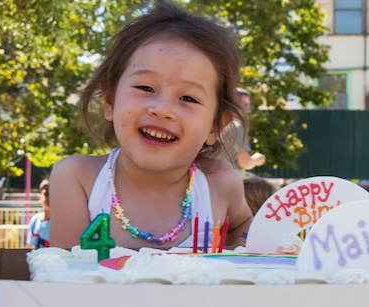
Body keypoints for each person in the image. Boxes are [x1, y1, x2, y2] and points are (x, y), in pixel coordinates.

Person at [49, 0, 252, 250]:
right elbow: (64, 278)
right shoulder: (78, 180)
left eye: (188, 98)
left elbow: (243, 225)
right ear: (110, 101)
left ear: (215, 126)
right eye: (145, 87)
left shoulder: (221, 184)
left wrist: (235, 259)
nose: (163, 110)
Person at [234, 88, 266, 172]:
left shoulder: (213, 123)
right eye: (245, 105)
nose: (248, 109)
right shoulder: (237, 127)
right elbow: (245, 163)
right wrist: (258, 159)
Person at [27, 179, 50, 248]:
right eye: (47, 194)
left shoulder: (62, 222)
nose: (49, 198)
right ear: (39, 197)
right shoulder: (35, 220)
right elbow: (31, 245)